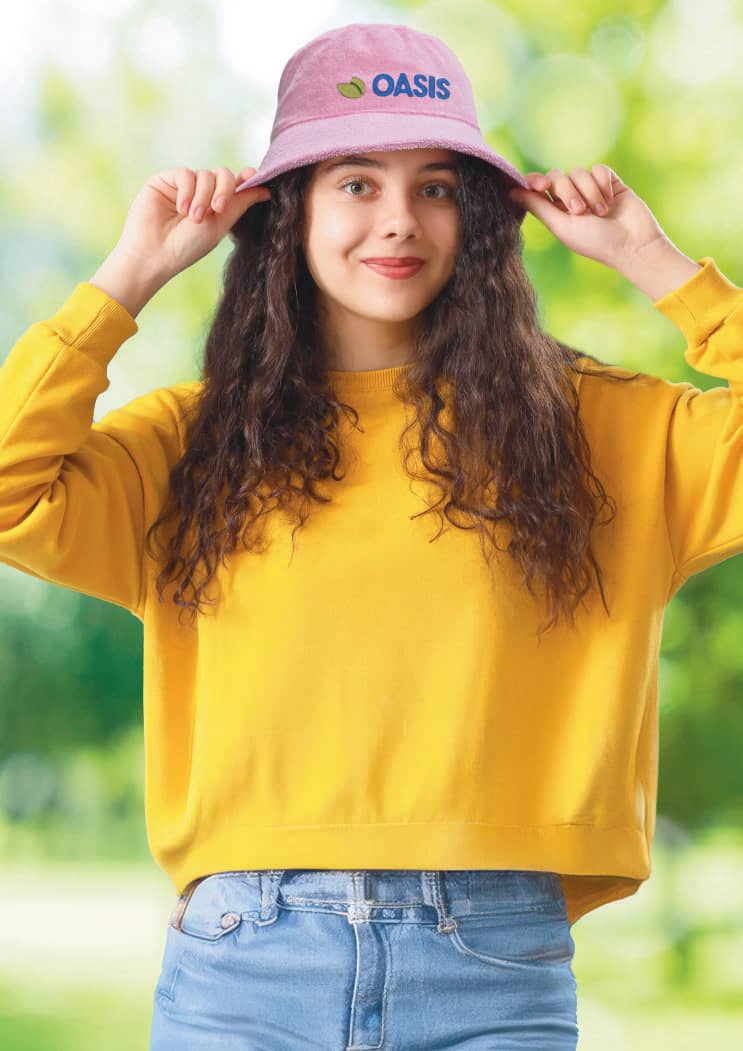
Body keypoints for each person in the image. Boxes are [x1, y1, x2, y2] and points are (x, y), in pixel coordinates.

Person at [1, 20, 741, 1051]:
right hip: (243, 966)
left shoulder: (597, 430)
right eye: (356, 182)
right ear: (287, 211)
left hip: (492, 967)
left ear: (475, 216)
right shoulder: (192, 443)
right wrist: (127, 276)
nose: (399, 221)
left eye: (435, 186)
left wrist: (653, 262)